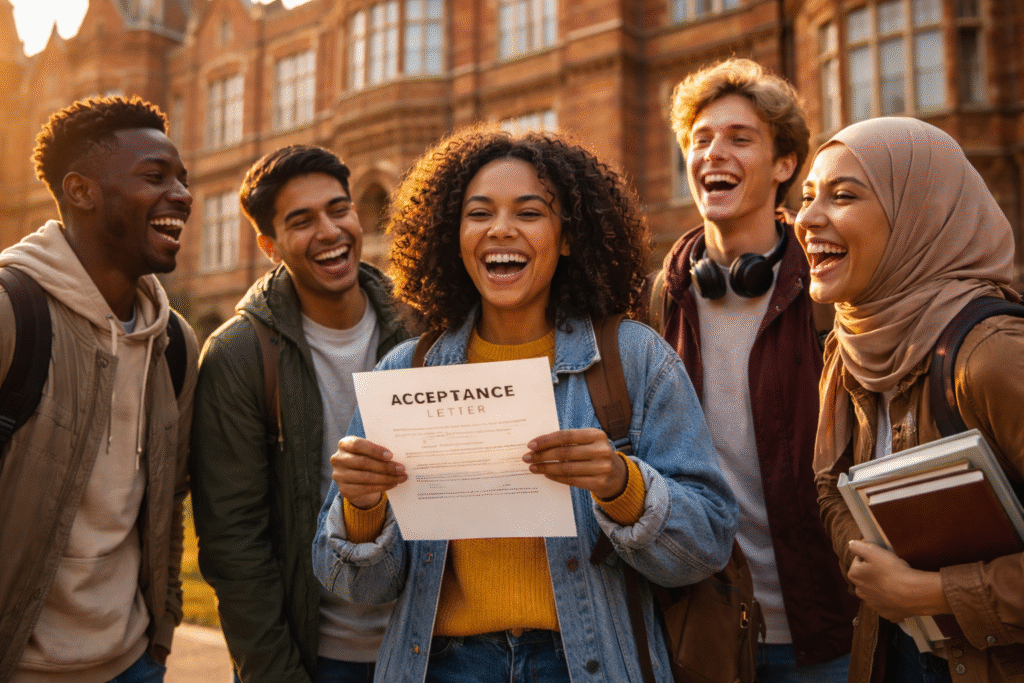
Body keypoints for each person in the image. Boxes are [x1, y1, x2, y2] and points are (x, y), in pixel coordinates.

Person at [311, 127, 738, 683]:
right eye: (479, 213)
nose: (501, 230)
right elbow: (359, 588)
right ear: (453, 235)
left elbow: (707, 544)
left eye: (530, 213)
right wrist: (361, 508)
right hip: (441, 667)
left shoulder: (634, 359)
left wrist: (621, 484)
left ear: (566, 237)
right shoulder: (404, 373)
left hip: (588, 664)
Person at [648, 57, 858, 680]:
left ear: (785, 165)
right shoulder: (654, 302)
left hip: (826, 629)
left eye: (741, 139)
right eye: (701, 139)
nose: (716, 153)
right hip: (697, 632)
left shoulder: (833, 292)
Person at [796, 116, 1024, 682]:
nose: (806, 219)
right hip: (894, 655)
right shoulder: (845, 348)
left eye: (844, 195)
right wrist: (874, 567)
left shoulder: (992, 354)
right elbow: (831, 485)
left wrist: (930, 591)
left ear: (921, 211)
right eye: (806, 198)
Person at [189, 145, 410, 683]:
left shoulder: (422, 325)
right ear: (270, 245)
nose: (331, 231)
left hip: (431, 649)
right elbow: (234, 544)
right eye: (302, 221)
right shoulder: (239, 354)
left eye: (340, 209)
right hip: (319, 657)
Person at [0, 96, 197, 682]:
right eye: (154, 177)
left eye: (182, 179)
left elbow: (170, 501)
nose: (182, 195)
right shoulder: (13, 315)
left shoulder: (176, 343)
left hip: (131, 663)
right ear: (81, 191)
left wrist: (159, 639)